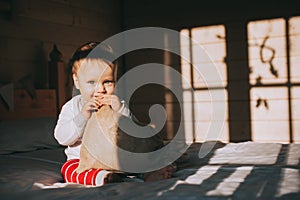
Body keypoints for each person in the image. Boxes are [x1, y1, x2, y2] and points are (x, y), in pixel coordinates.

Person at [54, 41, 174, 186]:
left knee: (143, 159)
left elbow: (133, 131)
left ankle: (149, 173)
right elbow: (62, 138)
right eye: (92, 82)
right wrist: (83, 116)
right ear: (77, 81)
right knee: (68, 169)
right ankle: (102, 178)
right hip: (85, 162)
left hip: (117, 158)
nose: (101, 89)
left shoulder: (116, 103)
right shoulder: (73, 106)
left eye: (108, 82)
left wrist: (121, 110)